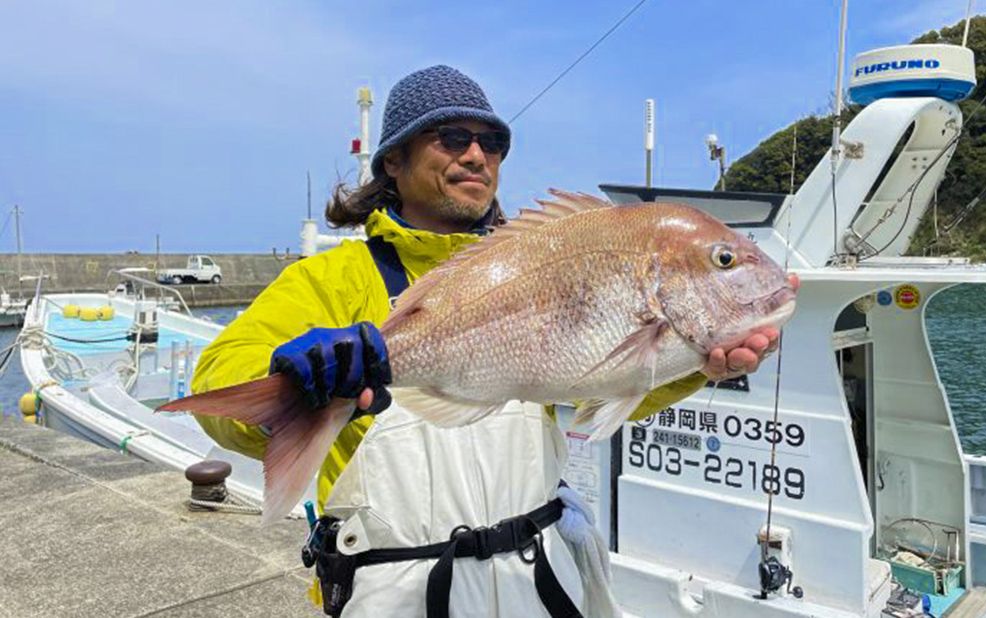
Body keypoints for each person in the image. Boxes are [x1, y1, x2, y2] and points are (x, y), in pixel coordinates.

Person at [191, 65, 784, 617]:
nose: (477, 155)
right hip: (395, 592)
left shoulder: (539, 257)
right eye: (450, 138)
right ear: (392, 160)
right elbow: (221, 377)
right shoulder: (329, 278)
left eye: (492, 144)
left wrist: (697, 366)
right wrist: (294, 378)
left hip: (537, 580)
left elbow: (591, 391)